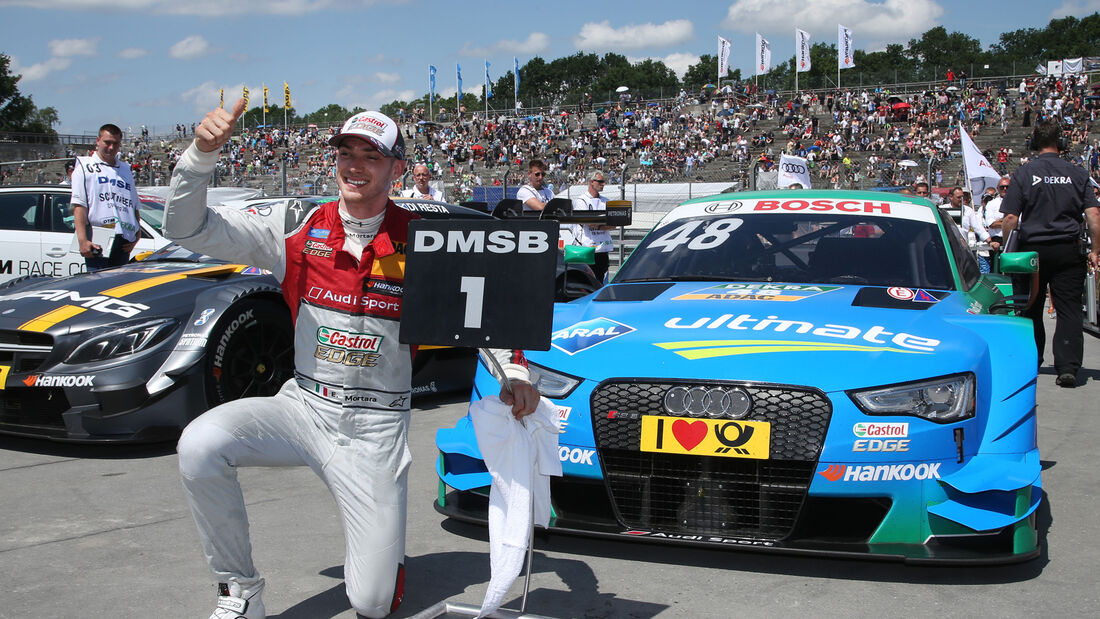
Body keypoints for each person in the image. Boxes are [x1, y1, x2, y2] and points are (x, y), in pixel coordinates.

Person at [164, 100, 540, 619]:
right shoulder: (295, 223)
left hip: (376, 429)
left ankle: (385, 565)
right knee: (200, 443)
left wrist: (515, 372)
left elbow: (484, 314)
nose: (355, 165)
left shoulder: (426, 240)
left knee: (371, 603)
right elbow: (186, 229)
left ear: (397, 168)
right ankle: (239, 591)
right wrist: (201, 155)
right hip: (303, 407)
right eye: (346, 152)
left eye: (372, 155)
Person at [1000, 119, 1100, 387]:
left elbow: (1010, 218)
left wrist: (1009, 250)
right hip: (1068, 249)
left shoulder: (1023, 173)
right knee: (1068, 309)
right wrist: (1096, 250)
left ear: (1034, 143)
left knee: (1030, 307)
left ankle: (1031, 359)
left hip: (1031, 251)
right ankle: (1067, 366)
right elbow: (1093, 215)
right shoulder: (1078, 173)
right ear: (1062, 143)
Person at [69, 123, 141, 270]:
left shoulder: (126, 169)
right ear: (98, 141)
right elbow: (79, 205)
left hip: (123, 239)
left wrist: (137, 236)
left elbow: (133, 205)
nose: (111, 148)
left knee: (120, 288)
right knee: (99, 286)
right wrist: (82, 240)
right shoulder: (84, 167)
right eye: (107, 142)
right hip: (98, 236)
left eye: (116, 144)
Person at [569, 171, 614, 282]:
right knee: (586, 281)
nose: (603, 184)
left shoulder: (606, 201)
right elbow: (588, 222)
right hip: (586, 248)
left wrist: (598, 226)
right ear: (591, 182)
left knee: (600, 280)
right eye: (600, 181)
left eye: (604, 182)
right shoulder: (581, 200)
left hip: (602, 248)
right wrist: (603, 224)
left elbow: (613, 224)